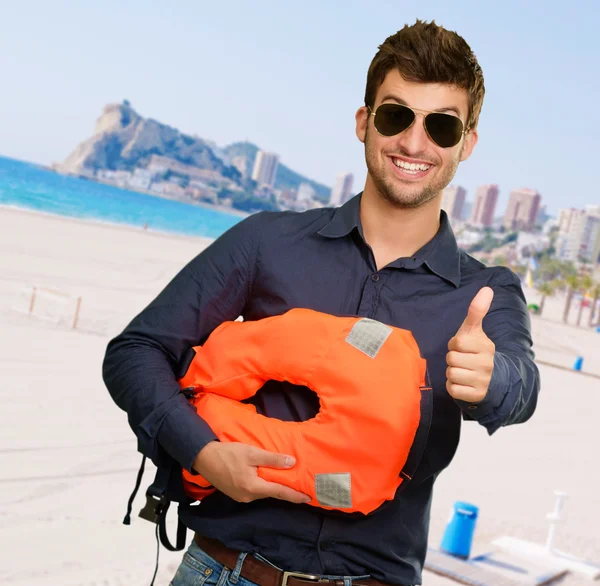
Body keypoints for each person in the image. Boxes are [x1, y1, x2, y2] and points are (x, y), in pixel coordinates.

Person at [102, 19, 540, 586]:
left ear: (467, 144)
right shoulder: (267, 242)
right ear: (364, 123)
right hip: (223, 570)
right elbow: (135, 351)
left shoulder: (485, 292)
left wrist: (493, 380)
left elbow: (522, 387)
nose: (413, 142)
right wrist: (203, 452)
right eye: (395, 115)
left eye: (441, 126)